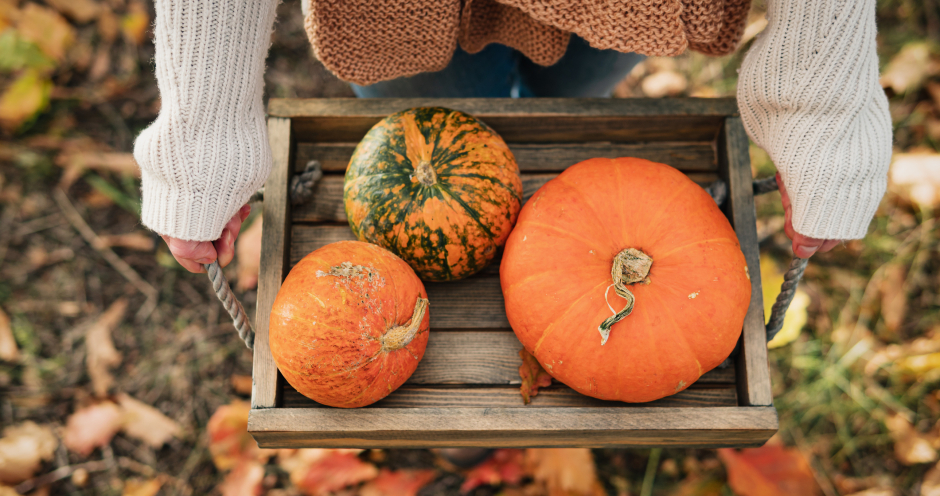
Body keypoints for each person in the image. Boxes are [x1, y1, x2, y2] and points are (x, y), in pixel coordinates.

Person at [136, 0, 890, 274]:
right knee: (429, 124)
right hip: (402, 11)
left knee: (580, 92)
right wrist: (203, 128)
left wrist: (820, 112)